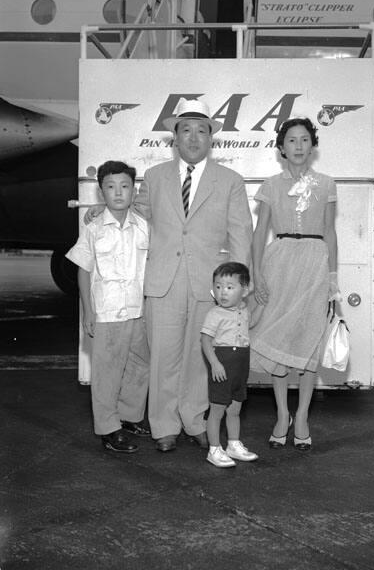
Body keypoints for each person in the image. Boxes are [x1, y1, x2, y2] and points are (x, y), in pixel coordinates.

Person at [111, 98, 253, 453]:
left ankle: (195, 420)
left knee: (199, 357)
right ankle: (163, 426)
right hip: (163, 280)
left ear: (210, 138)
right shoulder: (155, 177)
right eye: (185, 130)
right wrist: (105, 212)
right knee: (163, 355)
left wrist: (238, 286)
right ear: (174, 136)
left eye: (201, 131)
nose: (193, 138)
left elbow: (241, 234)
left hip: (211, 284)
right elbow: (136, 216)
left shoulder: (230, 181)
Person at [250, 117, 340, 451]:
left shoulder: (327, 183)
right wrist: (257, 274)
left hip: (315, 262)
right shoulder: (271, 184)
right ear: (281, 147)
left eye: (304, 140)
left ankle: (301, 416)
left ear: (312, 145)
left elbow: (330, 231)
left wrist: (332, 277)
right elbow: (260, 232)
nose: (298, 146)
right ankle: (281, 414)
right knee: (276, 336)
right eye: (291, 140)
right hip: (280, 261)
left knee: (307, 342)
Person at [67, 161, 150, 453]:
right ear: (102, 192)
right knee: (107, 371)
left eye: (125, 186)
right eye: (111, 187)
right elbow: (83, 270)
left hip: (138, 311)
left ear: (134, 190)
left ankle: (128, 417)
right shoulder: (94, 228)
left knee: (140, 366)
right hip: (107, 312)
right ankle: (108, 428)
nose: (118, 192)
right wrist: (88, 312)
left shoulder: (143, 226)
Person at [200, 262, 262, 468]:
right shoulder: (215, 314)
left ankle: (233, 445)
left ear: (244, 291)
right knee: (216, 409)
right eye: (218, 287)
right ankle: (214, 449)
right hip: (223, 365)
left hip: (240, 364)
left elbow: (250, 324)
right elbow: (205, 341)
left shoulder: (243, 310)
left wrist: (262, 305)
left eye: (229, 287)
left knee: (235, 408)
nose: (222, 292)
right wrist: (215, 363)